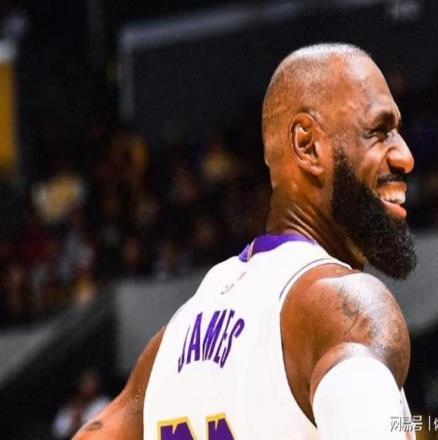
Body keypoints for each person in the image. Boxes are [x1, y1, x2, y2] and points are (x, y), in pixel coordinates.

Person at [74, 43, 417, 439]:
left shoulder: (169, 348)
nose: (405, 156)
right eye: (378, 132)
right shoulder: (346, 309)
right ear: (307, 145)